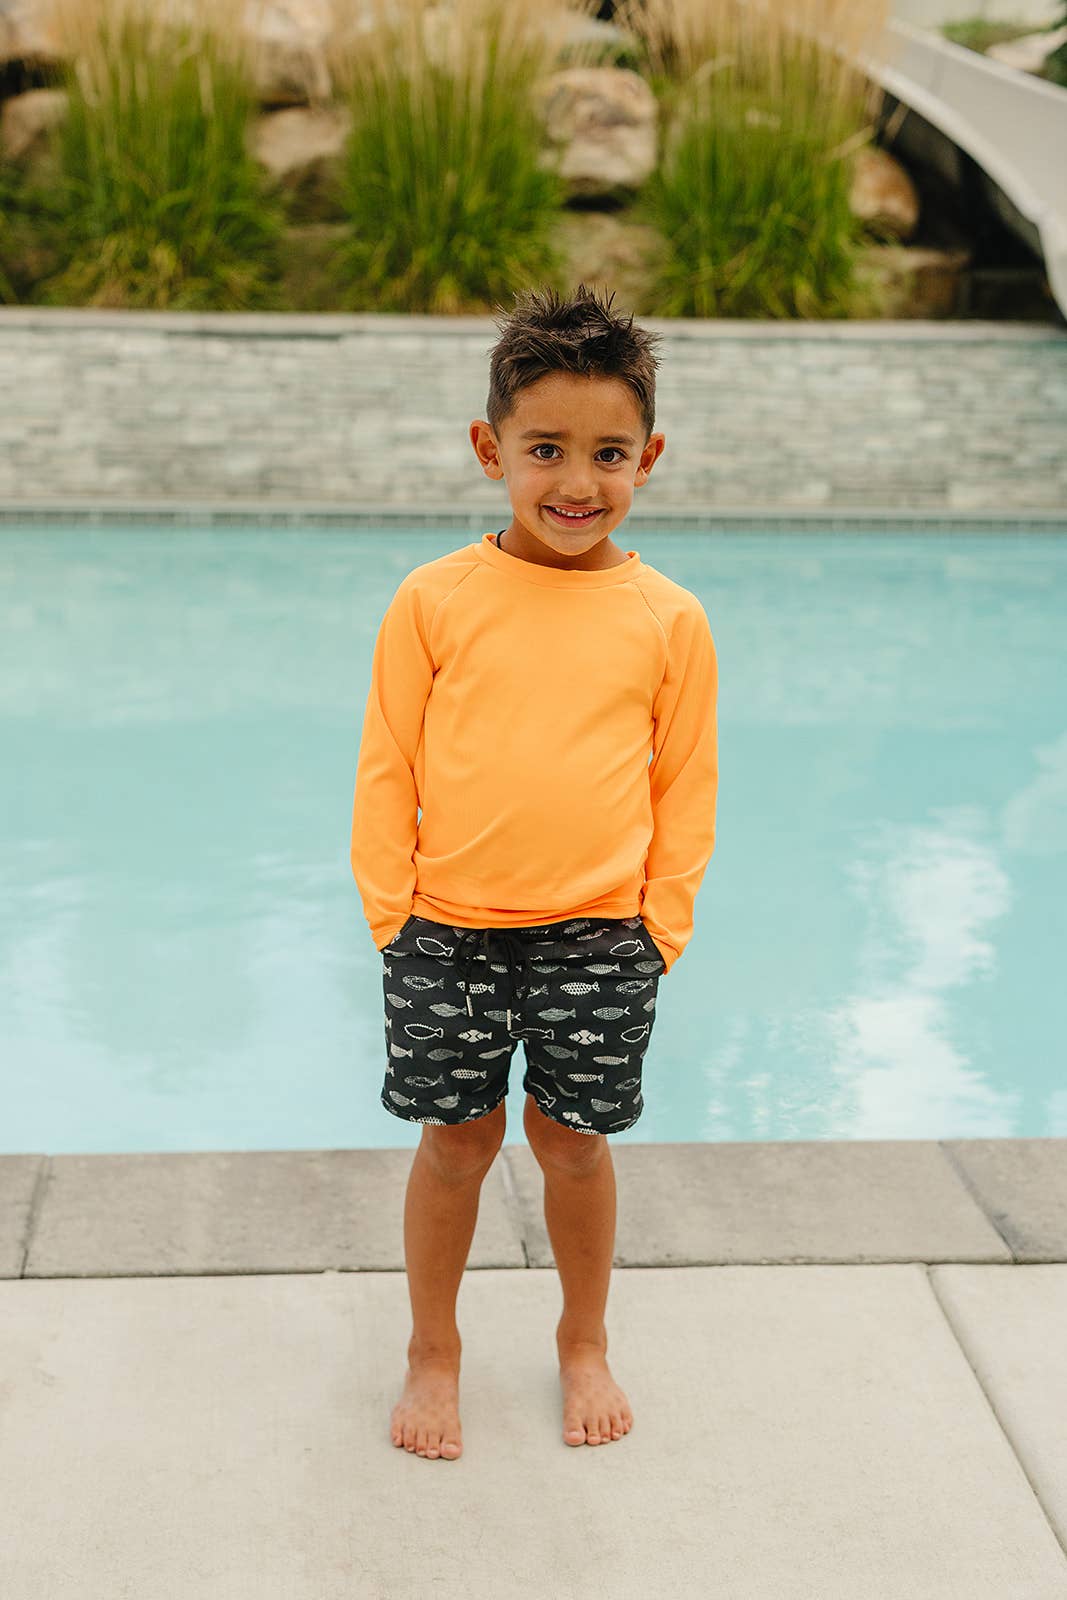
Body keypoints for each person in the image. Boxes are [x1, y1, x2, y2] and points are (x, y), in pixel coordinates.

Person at [350, 282, 719, 1461]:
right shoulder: (433, 600)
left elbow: (685, 788)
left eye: (607, 452)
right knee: (455, 1143)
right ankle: (433, 1348)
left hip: (601, 938)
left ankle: (582, 1337)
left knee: (571, 1144)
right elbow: (385, 766)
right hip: (444, 934)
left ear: (647, 457)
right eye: (544, 448)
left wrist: (656, 930)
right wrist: (391, 921)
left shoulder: (667, 620)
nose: (576, 481)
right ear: (488, 448)